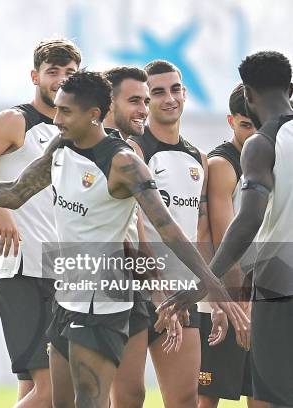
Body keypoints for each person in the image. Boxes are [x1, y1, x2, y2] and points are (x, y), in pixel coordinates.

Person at [0, 69, 246, 408]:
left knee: (95, 403)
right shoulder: (60, 147)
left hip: (103, 307)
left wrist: (218, 293)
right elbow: (14, 194)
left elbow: (171, 232)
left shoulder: (124, 163)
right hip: (65, 299)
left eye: (65, 111)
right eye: (57, 108)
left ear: (93, 116)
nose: (55, 118)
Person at [0, 38, 80, 408]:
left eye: (70, 73)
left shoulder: (79, 129)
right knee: (55, 392)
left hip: (68, 270)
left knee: (33, 391)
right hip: (25, 269)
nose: (61, 80)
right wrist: (0, 207)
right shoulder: (15, 121)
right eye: (53, 72)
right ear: (35, 75)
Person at [161, 50, 293, 408]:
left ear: (248, 95)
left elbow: (247, 220)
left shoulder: (261, 144)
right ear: (291, 88)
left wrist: (206, 282)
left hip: (280, 284)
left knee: (274, 395)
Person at [125, 59, 222, 408]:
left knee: (185, 399)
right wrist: (156, 285)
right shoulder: (133, 151)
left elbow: (198, 231)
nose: (170, 99)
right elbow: (134, 225)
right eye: (158, 92)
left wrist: (211, 296)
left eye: (176, 89)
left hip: (181, 297)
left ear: (185, 92)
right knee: (127, 398)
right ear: (145, 101)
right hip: (136, 291)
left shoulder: (199, 157)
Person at [199, 83, 268, 408]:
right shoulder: (222, 165)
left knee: (265, 394)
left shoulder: (274, 159)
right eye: (245, 125)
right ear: (230, 121)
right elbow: (225, 238)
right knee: (208, 396)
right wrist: (242, 302)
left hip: (266, 292)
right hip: (228, 297)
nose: (253, 132)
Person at [102, 66, 153, 408]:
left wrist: (154, 278)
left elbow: (140, 221)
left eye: (145, 100)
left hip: (130, 280)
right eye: (134, 100)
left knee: (132, 394)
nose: (144, 109)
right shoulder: (73, 147)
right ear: (109, 101)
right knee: (87, 394)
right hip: (88, 280)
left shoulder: (131, 150)